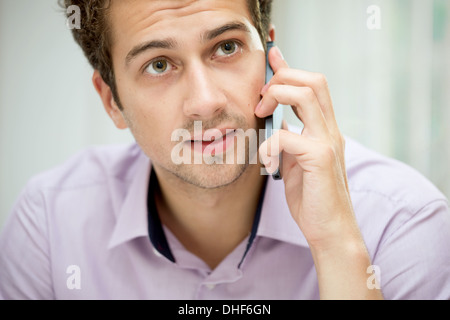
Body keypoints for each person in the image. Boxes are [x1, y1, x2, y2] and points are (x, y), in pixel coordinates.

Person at [0, 0, 449, 300]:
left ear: (271, 56)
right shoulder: (49, 223)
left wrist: (336, 245)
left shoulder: (402, 220)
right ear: (111, 100)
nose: (205, 101)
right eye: (159, 65)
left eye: (227, 47)